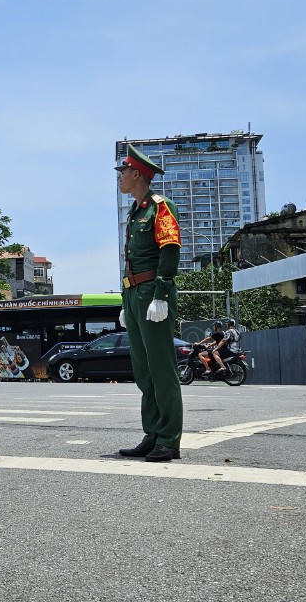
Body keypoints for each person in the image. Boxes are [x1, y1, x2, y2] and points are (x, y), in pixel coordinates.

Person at [115, 145, 184, 462]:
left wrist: (162, 294)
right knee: (144, 372)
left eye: (123, 172)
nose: (120, 177)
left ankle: (169, 439)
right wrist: (125, 301)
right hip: (133, 294)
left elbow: (169, 250)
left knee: (161, 369)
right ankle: (153, 433)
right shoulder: (135, 212)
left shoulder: (160, 206)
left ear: (137, 174)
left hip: (152, 293)